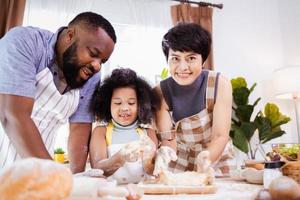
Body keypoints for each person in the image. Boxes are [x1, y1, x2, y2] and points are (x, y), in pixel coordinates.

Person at [0, 12, 116, 173]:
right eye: (93, 54)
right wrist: (56, 175)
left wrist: (77, 179)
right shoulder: (25, 42)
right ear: (70, 36)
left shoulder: (91, 76)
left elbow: (79, 128)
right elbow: (12, 115)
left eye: (102, 61)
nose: (97, 66)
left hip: (35, 176)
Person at [153, 22, 234, 176]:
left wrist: (203, 164)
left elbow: (220, 136)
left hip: (215, 155)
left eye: (191, 58)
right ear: (167, 60)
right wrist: (164, 157)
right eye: (175, 59)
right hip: (178, 158)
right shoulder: (160, 92)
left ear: (203, 61)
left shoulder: (220, 84)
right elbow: (168, 139)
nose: (183, 67)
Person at [89, 68, 160, 184]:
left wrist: (154, 160)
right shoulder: (101, 132)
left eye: (131, 103)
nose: (125, 108)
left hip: (143, 193)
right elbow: (97, 169)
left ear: (141, 105)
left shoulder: (148, 133)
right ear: (108, 104)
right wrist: (120, 157)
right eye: (118, 103)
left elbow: (154, 172)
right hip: (113, 194)